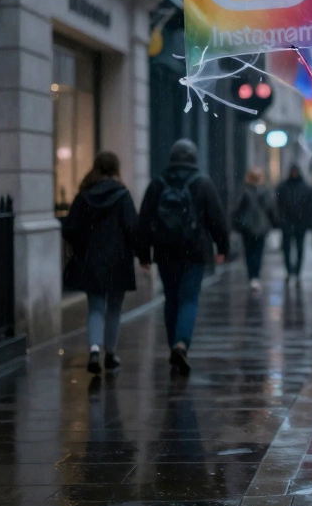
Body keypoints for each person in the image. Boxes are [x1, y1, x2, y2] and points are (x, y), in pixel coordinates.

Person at [137, 139, 230, 376]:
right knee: (189, 299)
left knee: (171, 299)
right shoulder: (202, 182)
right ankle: (181, 344)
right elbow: (217, 218)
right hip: (194, 251)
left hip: (165, 250)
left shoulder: (158, 183)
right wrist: (222, 248)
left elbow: (145, 219)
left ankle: (173, 346)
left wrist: (143, 253)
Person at [62, 152, 138, 375]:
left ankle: (94, 349)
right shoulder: (123, 195)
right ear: (116, 169)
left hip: (92, 260)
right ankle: (111, 354)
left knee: (95, 307)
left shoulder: (85, 196)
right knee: (114, 308)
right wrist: (142, 254)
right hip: (118, 261)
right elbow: (133, 228)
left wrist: (82, 246)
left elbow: (70, 228)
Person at [234, 167, 277, 293]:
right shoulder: (250, 190)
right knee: (254, 252)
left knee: (252, 252)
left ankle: (254, 276)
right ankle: (254, 276)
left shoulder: (249, 190)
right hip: (252, 227)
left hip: (253, 227)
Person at [276, 164, 311, 282]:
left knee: (299, 247)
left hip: (299, 222)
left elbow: (309, 205)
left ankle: (297, 272)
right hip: (288, 222)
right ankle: (289, 270)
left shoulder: (303, 187)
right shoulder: (284, 187)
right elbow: (278, 204)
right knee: (287, 248)